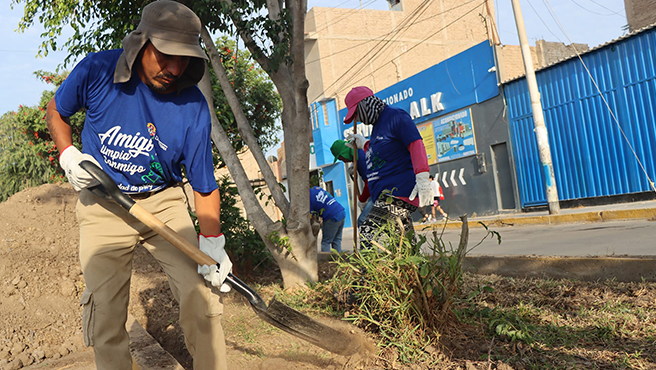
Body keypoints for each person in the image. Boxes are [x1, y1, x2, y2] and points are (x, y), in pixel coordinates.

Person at [45, 2, 229, 369]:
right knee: (106, 314)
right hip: (103, 203)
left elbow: (204, 184)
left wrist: (213, 243)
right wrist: (68, 154)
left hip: (163, 201)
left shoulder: (191, 105)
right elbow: (57, 111)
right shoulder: (97, 71)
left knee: (201, 298)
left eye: (184, 59)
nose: (174, 69)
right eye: (166, 55)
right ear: (140, 43)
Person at [343, 86, 433, 244]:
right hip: (385, 195)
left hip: (397, 193)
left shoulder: (395, 116)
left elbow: (416, 143)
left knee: (367, 230)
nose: (358, 119)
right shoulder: (377, 128)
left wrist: (422, 176)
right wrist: (363, 143)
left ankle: (366, 269)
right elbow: (382, 151)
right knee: (402, 243)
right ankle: (414, 266)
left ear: (365, 105)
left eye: (357, 114)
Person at [330, 139, 373, 226]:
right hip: (381, 187)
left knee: (362, 221)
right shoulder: (358, 153)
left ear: (344, 153)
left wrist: (362, 200)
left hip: (385, 188)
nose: (344, 161)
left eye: (341, 158)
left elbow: (369, 183)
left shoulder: (360, 159)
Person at [310, 186, 346, 252]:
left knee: (326, 242)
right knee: (336, 240)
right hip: (341, 211)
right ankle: (338, 260)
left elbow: (311, 215)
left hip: (332, 216)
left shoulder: (308, 199)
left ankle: (326, 260)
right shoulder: (315, 188)